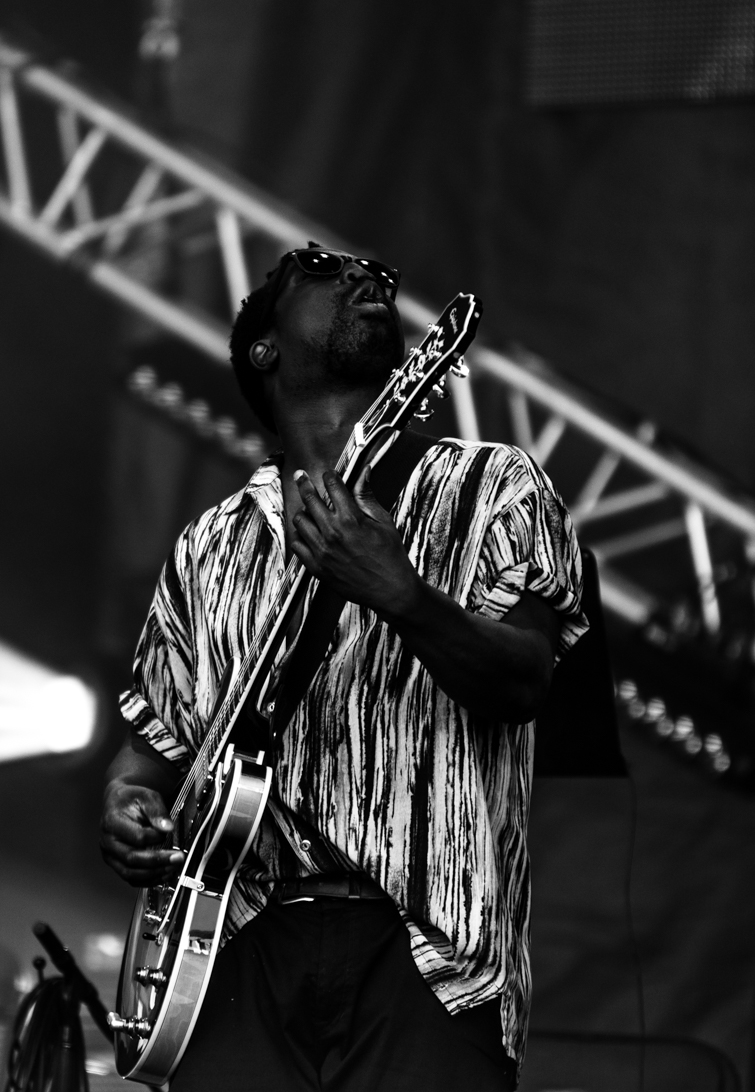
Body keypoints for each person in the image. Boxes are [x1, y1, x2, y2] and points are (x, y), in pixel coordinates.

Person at [100, 245, 587, 1091]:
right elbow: (149, 756)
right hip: (234, 945)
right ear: (263, 347)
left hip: (430, 953)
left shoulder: (493, 485)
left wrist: (403, 594)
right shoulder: (209, 545)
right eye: (322, 268)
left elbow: (525, 681)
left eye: (380, 278)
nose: (371, 278)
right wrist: (126, 805)